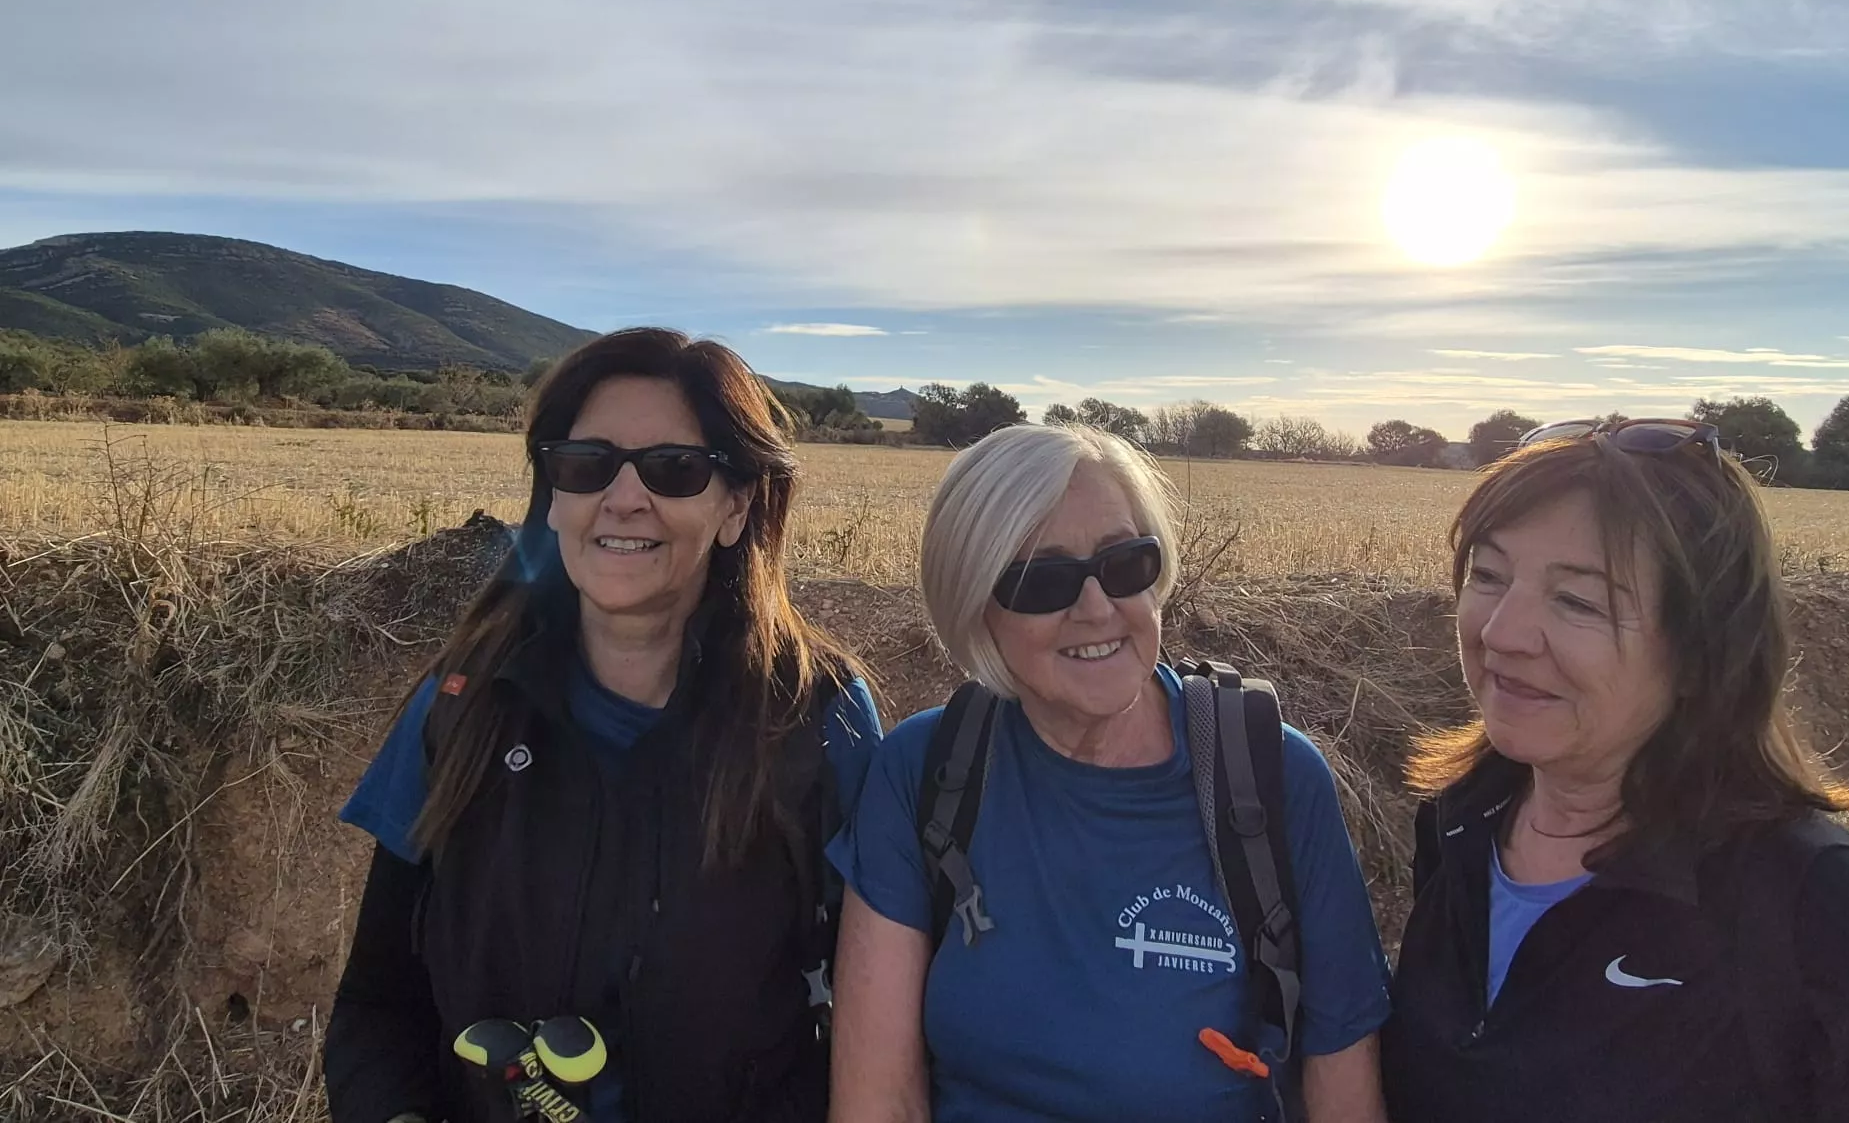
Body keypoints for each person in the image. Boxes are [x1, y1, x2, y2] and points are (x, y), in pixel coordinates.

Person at [324, 328, 881, 1123]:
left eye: (673, 469)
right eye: (587, 464)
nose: (625, 498)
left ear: (736, 507)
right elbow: (378, 1001)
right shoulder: (464, 700)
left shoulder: (818, 718)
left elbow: (877, 1029)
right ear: (555, 496)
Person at [1380, 417, 1849, 1122]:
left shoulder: (1829, 916)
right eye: (1488, 576)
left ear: (1703, 649)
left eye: (1578, 601)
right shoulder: (1459, 823)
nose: (1501, 633)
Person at [828, 423, 1390, 1123]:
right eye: (1043, 579)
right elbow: (880, 1101)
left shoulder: (1272, 778)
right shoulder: (926, 771)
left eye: (1126, 564)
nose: (1097, 608)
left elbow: (1343, 1084)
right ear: (975, 602)